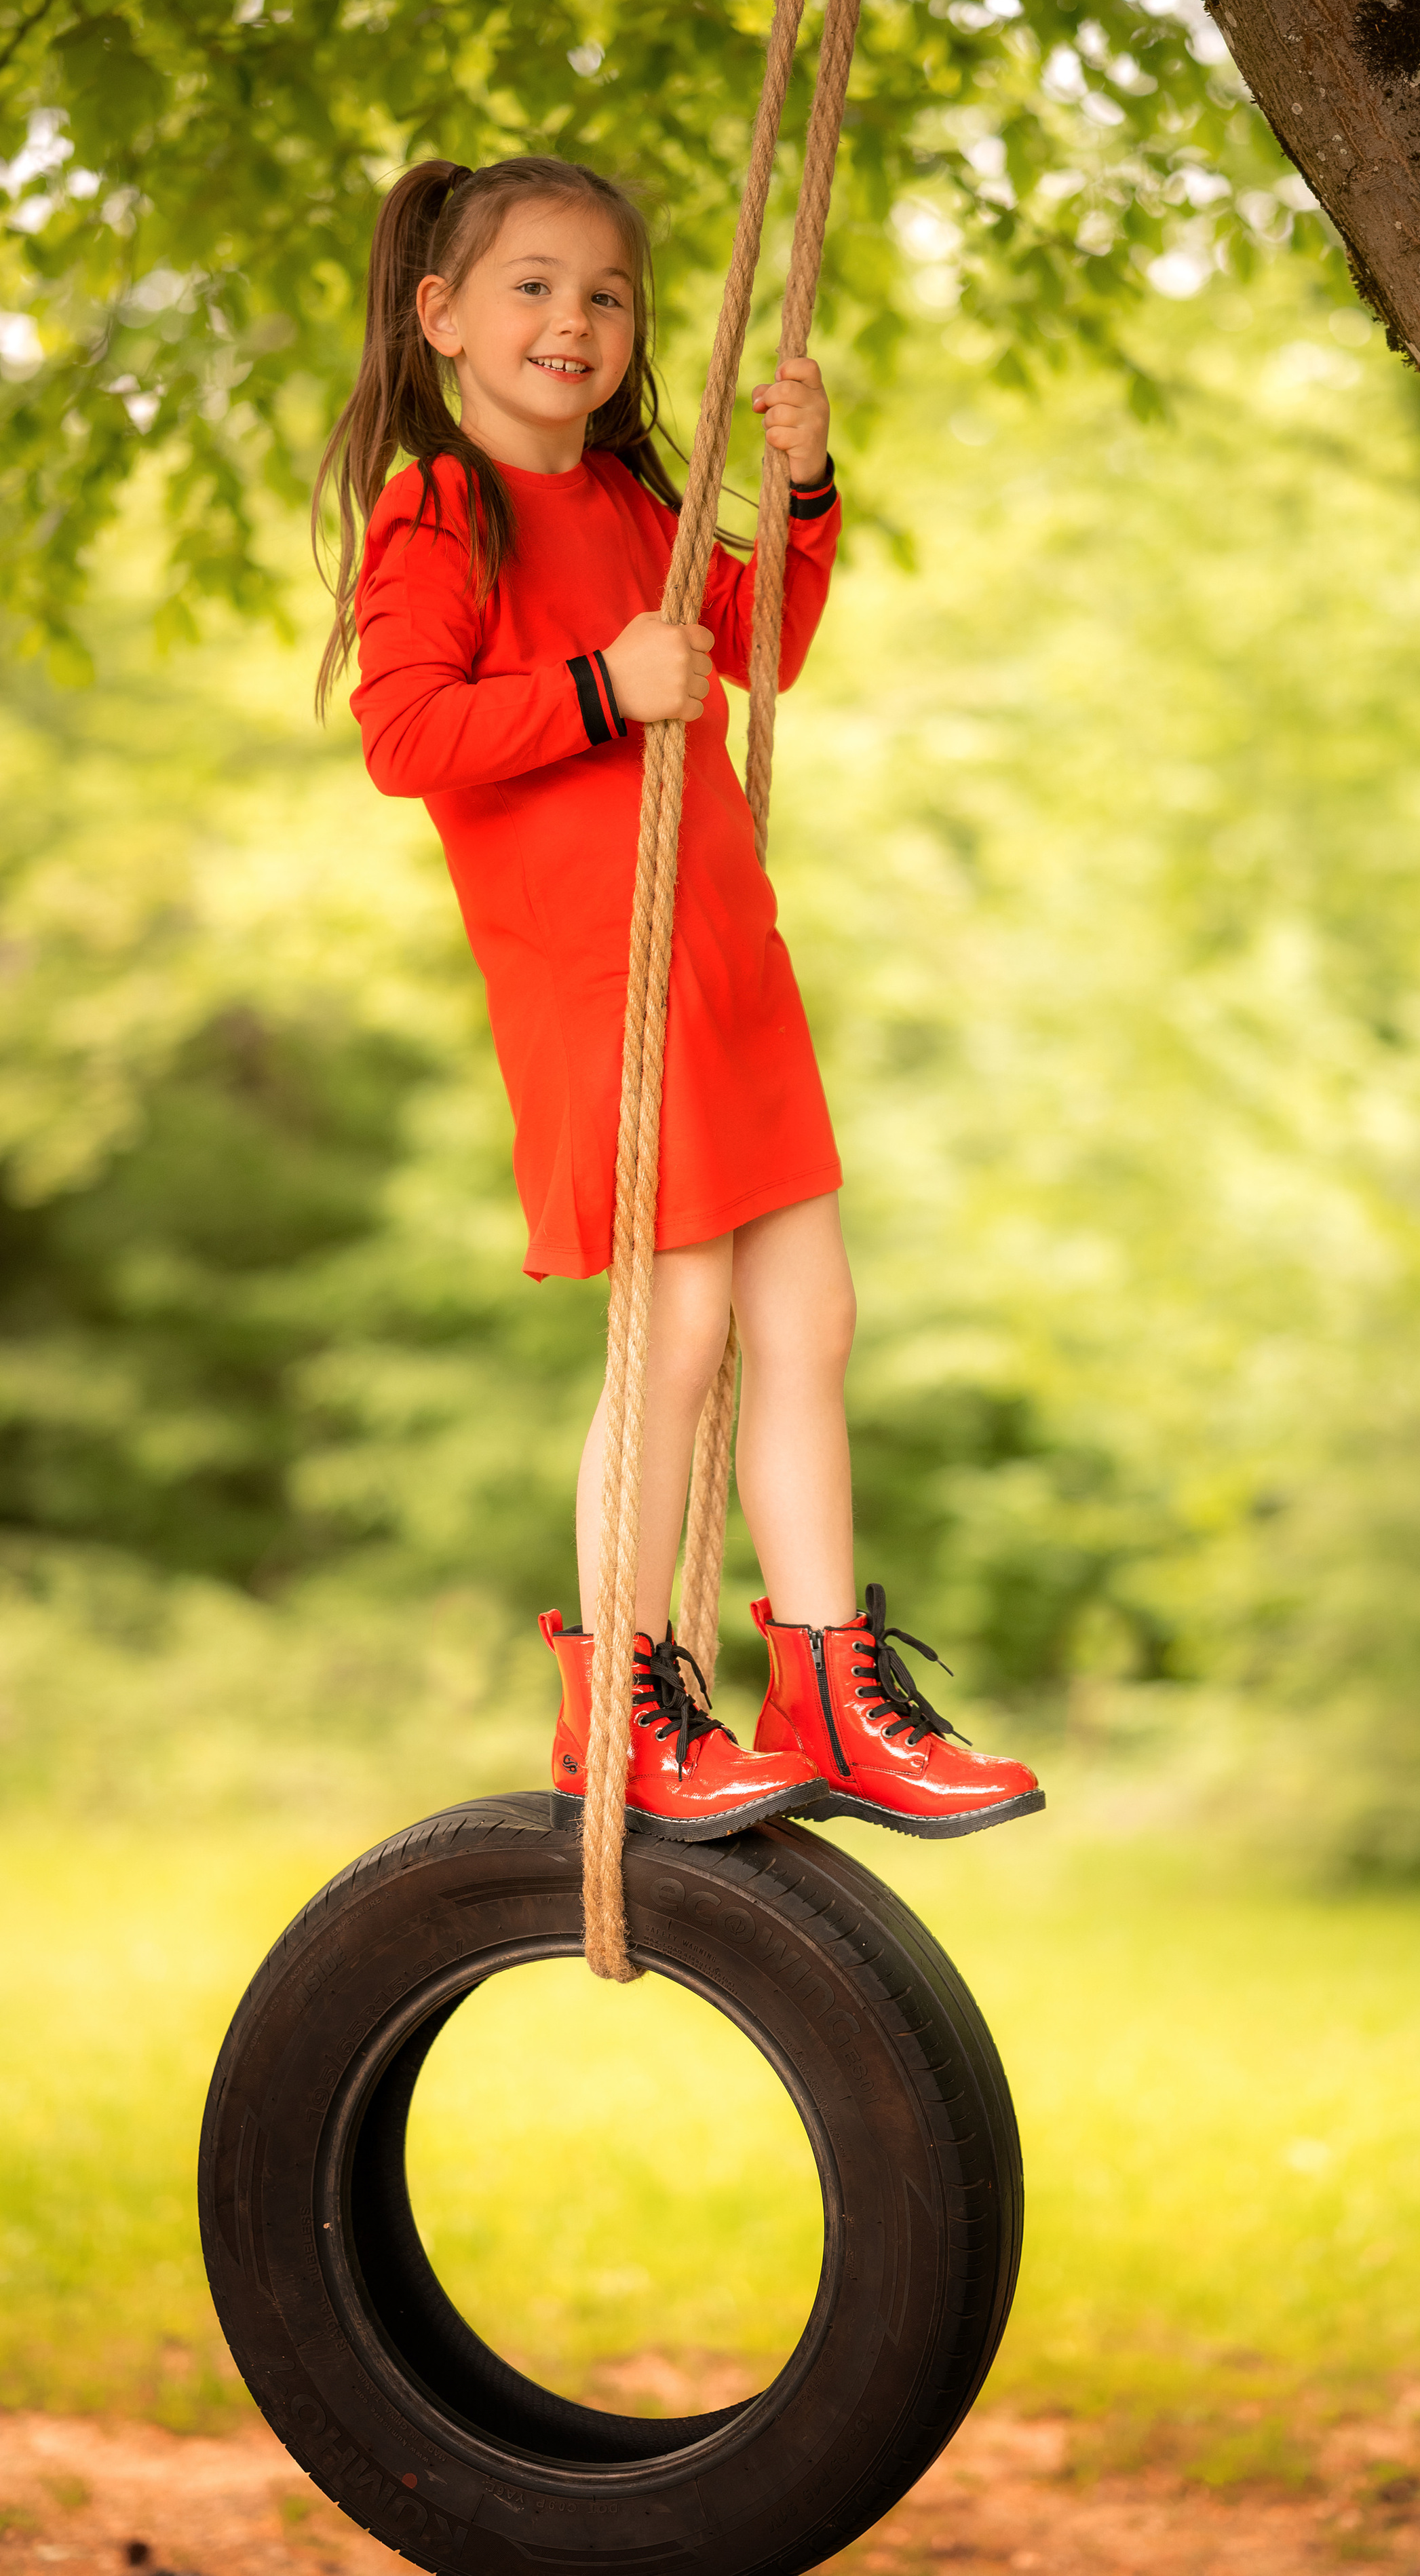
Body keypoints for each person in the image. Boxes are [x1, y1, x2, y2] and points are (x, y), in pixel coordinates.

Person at [318, 153, 1043, 1844]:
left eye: (605, 293)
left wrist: (799, 491)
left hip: (726, 965)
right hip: (602, 982)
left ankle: (826, 1684)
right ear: (440, 317)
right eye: (531, 285)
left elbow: (756, 644)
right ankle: (622, 1700)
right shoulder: (442, 509)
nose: (572, 319)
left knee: (811, 1326)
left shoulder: (643, 503)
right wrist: (592, 688)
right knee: (682, 1335)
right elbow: (402, 734)